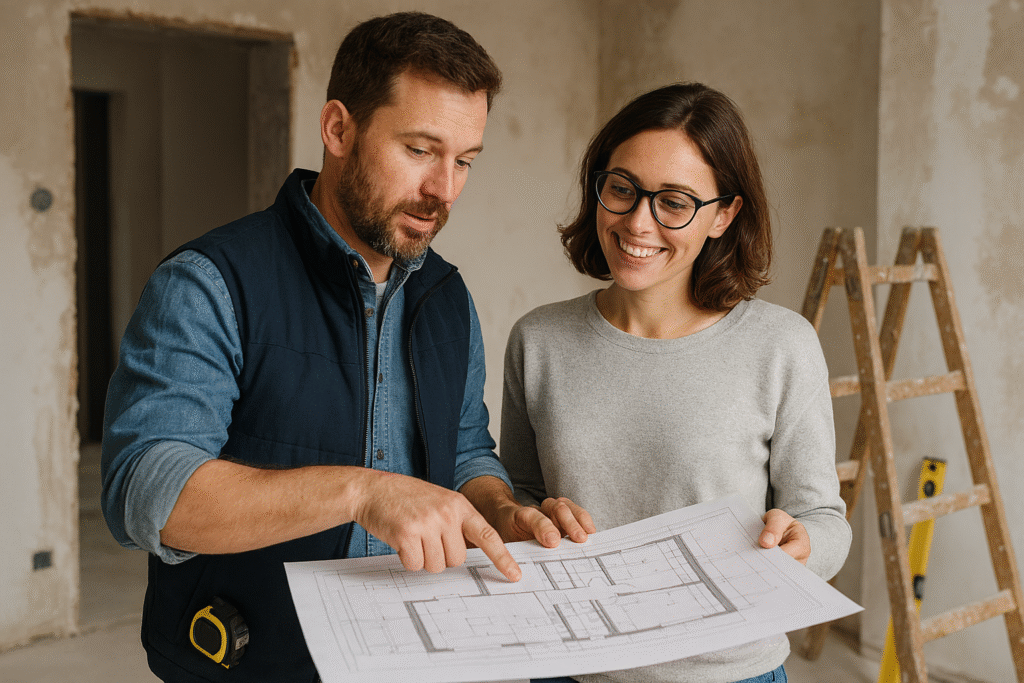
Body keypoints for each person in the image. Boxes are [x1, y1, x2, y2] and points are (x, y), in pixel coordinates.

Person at [101, 11, 592, 683]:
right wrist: (363, 492)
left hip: (416, 655)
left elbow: (467, 450)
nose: (443, 190)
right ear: (338, 128)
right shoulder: (210, 282)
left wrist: (502, 511)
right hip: (255, 660)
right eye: (420, 150)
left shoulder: (447, 297)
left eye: (464, 161)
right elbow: (146, 493)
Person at [500, 82, 852, 683]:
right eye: (622, 189)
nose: (639, 222)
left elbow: (822, 518)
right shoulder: (539, 340)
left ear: (723, 215)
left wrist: (800, 547)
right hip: (571, 666)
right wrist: (528, 519)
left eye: (675, 201)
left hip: (730, 672)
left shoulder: (781, 345)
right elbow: (521, 497)